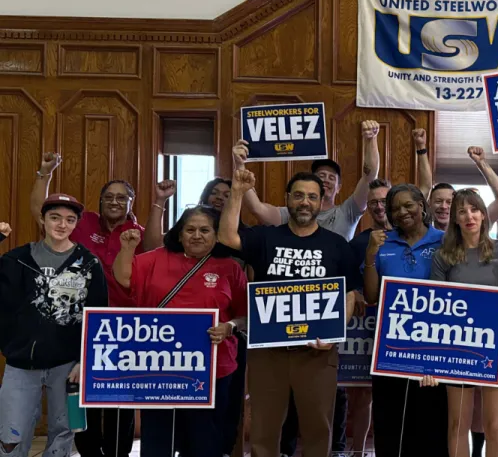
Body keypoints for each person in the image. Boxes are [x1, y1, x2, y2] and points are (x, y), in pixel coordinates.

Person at [219, 169, 362, 457]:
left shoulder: (337, 245)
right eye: (298, 196)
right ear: (287, 200)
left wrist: (336, 334)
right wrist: (236, 192)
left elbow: (348, 294)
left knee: (318, 429)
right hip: (268, 351)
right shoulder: (265, 237)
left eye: (312, 196)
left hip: (317, 352)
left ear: (322, 202)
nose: (305, 202)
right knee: (264, 429)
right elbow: (226, 238)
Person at [112, 206, 247, 457]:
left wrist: (229, 327)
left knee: (204, 442)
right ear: (179, 234)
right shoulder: (155, 258)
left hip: (213, 370)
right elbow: (124, 278)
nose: (197, 235)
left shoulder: (230, 268)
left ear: (217, 235)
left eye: (205, 230)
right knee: (157, 440)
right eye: (190, 230)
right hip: (158, 369)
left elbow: (245, 316)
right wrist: (127, 248)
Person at [30, 152, 142, 457]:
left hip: (123, 324)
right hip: (79, 321)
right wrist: (46, 173)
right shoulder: (84, 222)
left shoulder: (137, 233)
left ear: (131, 202)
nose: (115, 202)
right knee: (84, 394)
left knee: (120, 396)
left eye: (122, 197)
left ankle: (118, 453)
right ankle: (90, 453)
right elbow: (40, 211)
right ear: (101, 200)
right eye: (109, 196)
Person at [0, 194, 108, 457]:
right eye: (55, 218)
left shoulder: (89, 264)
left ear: (76, 225)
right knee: (11, 435)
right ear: (43, 220)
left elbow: (98, 316)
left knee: (63, 434)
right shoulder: (17, 259)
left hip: (67, 365)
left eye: (70, 220)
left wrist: (84, 360)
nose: (62, 225)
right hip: (21, 363)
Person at [430, 189, 498, 457]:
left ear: (483, 214)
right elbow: (437, 307)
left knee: (495, 426)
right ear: (455, 219)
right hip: (457, 349)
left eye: (474, 209)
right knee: (457, 424)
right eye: (461, 211)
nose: (469, 215)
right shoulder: (443, 256)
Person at [363, 184, 450, 457]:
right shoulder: (381, 242)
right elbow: (371, 296)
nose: (402, 212)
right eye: (395, 208)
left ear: (422, 206)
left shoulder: (444, 240)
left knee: (430, 423)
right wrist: (370, 256)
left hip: (433, 347)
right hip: (390, 347)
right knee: (389, 423)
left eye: (408, 205)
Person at [232, 120, 381, 240]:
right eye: (321, 176)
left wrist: (371, 140)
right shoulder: (292, 211)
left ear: (339, 187)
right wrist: (240, 164)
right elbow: (256, 208)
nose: (326, 180)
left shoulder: (348, 212)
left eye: (331, 178)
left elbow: (370, 175)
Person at [344, 178, 392, 455]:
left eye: (384, 200)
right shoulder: (358, 241)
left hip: (402, 326)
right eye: (373, 202)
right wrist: (355, 291)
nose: (378, 206)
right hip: (366, 325)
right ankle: (358, 450)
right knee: (362, 393)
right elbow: (348, 278)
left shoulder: (407, 236)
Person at [422, 145, 498, 231]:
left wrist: (481, 162)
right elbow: (425, 186)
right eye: (438, 201)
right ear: (429, 204)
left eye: (449, 202)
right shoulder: (421, 230)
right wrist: (421, 148)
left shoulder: (472, 227)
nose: (444, 206)